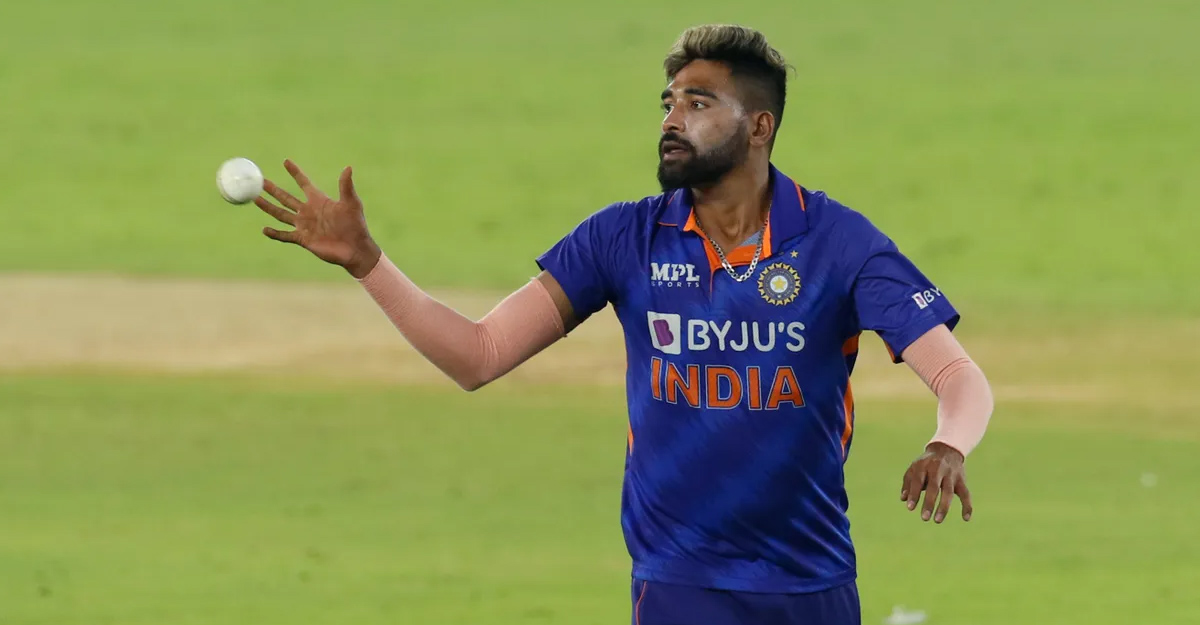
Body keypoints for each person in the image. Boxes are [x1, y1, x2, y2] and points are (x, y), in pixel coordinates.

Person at [252, 23, 994, 625]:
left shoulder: (839, 244)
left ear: (759, 126)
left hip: (811, 586)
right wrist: (369, 263)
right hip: (678, 585)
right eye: (668, 102)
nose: (672, 120)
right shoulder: (623, 239)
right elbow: (479, 353)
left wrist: (947, 443)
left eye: (699, 103)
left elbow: (960, 376)